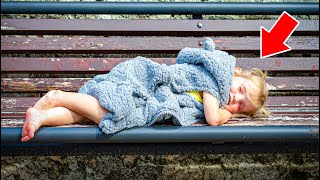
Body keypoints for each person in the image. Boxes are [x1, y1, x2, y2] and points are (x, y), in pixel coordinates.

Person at [21, 66, 269, 142]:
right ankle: (57, 97)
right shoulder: (215, 78)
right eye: (240, 89)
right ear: (236, 73)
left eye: (241, 106)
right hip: (144, 83)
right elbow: (214, 119)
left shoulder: (217, 94)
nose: (235, 98)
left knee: (88, 115)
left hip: (150, 100)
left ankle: (41, 118)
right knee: (118, 111)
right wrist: (228, 114)